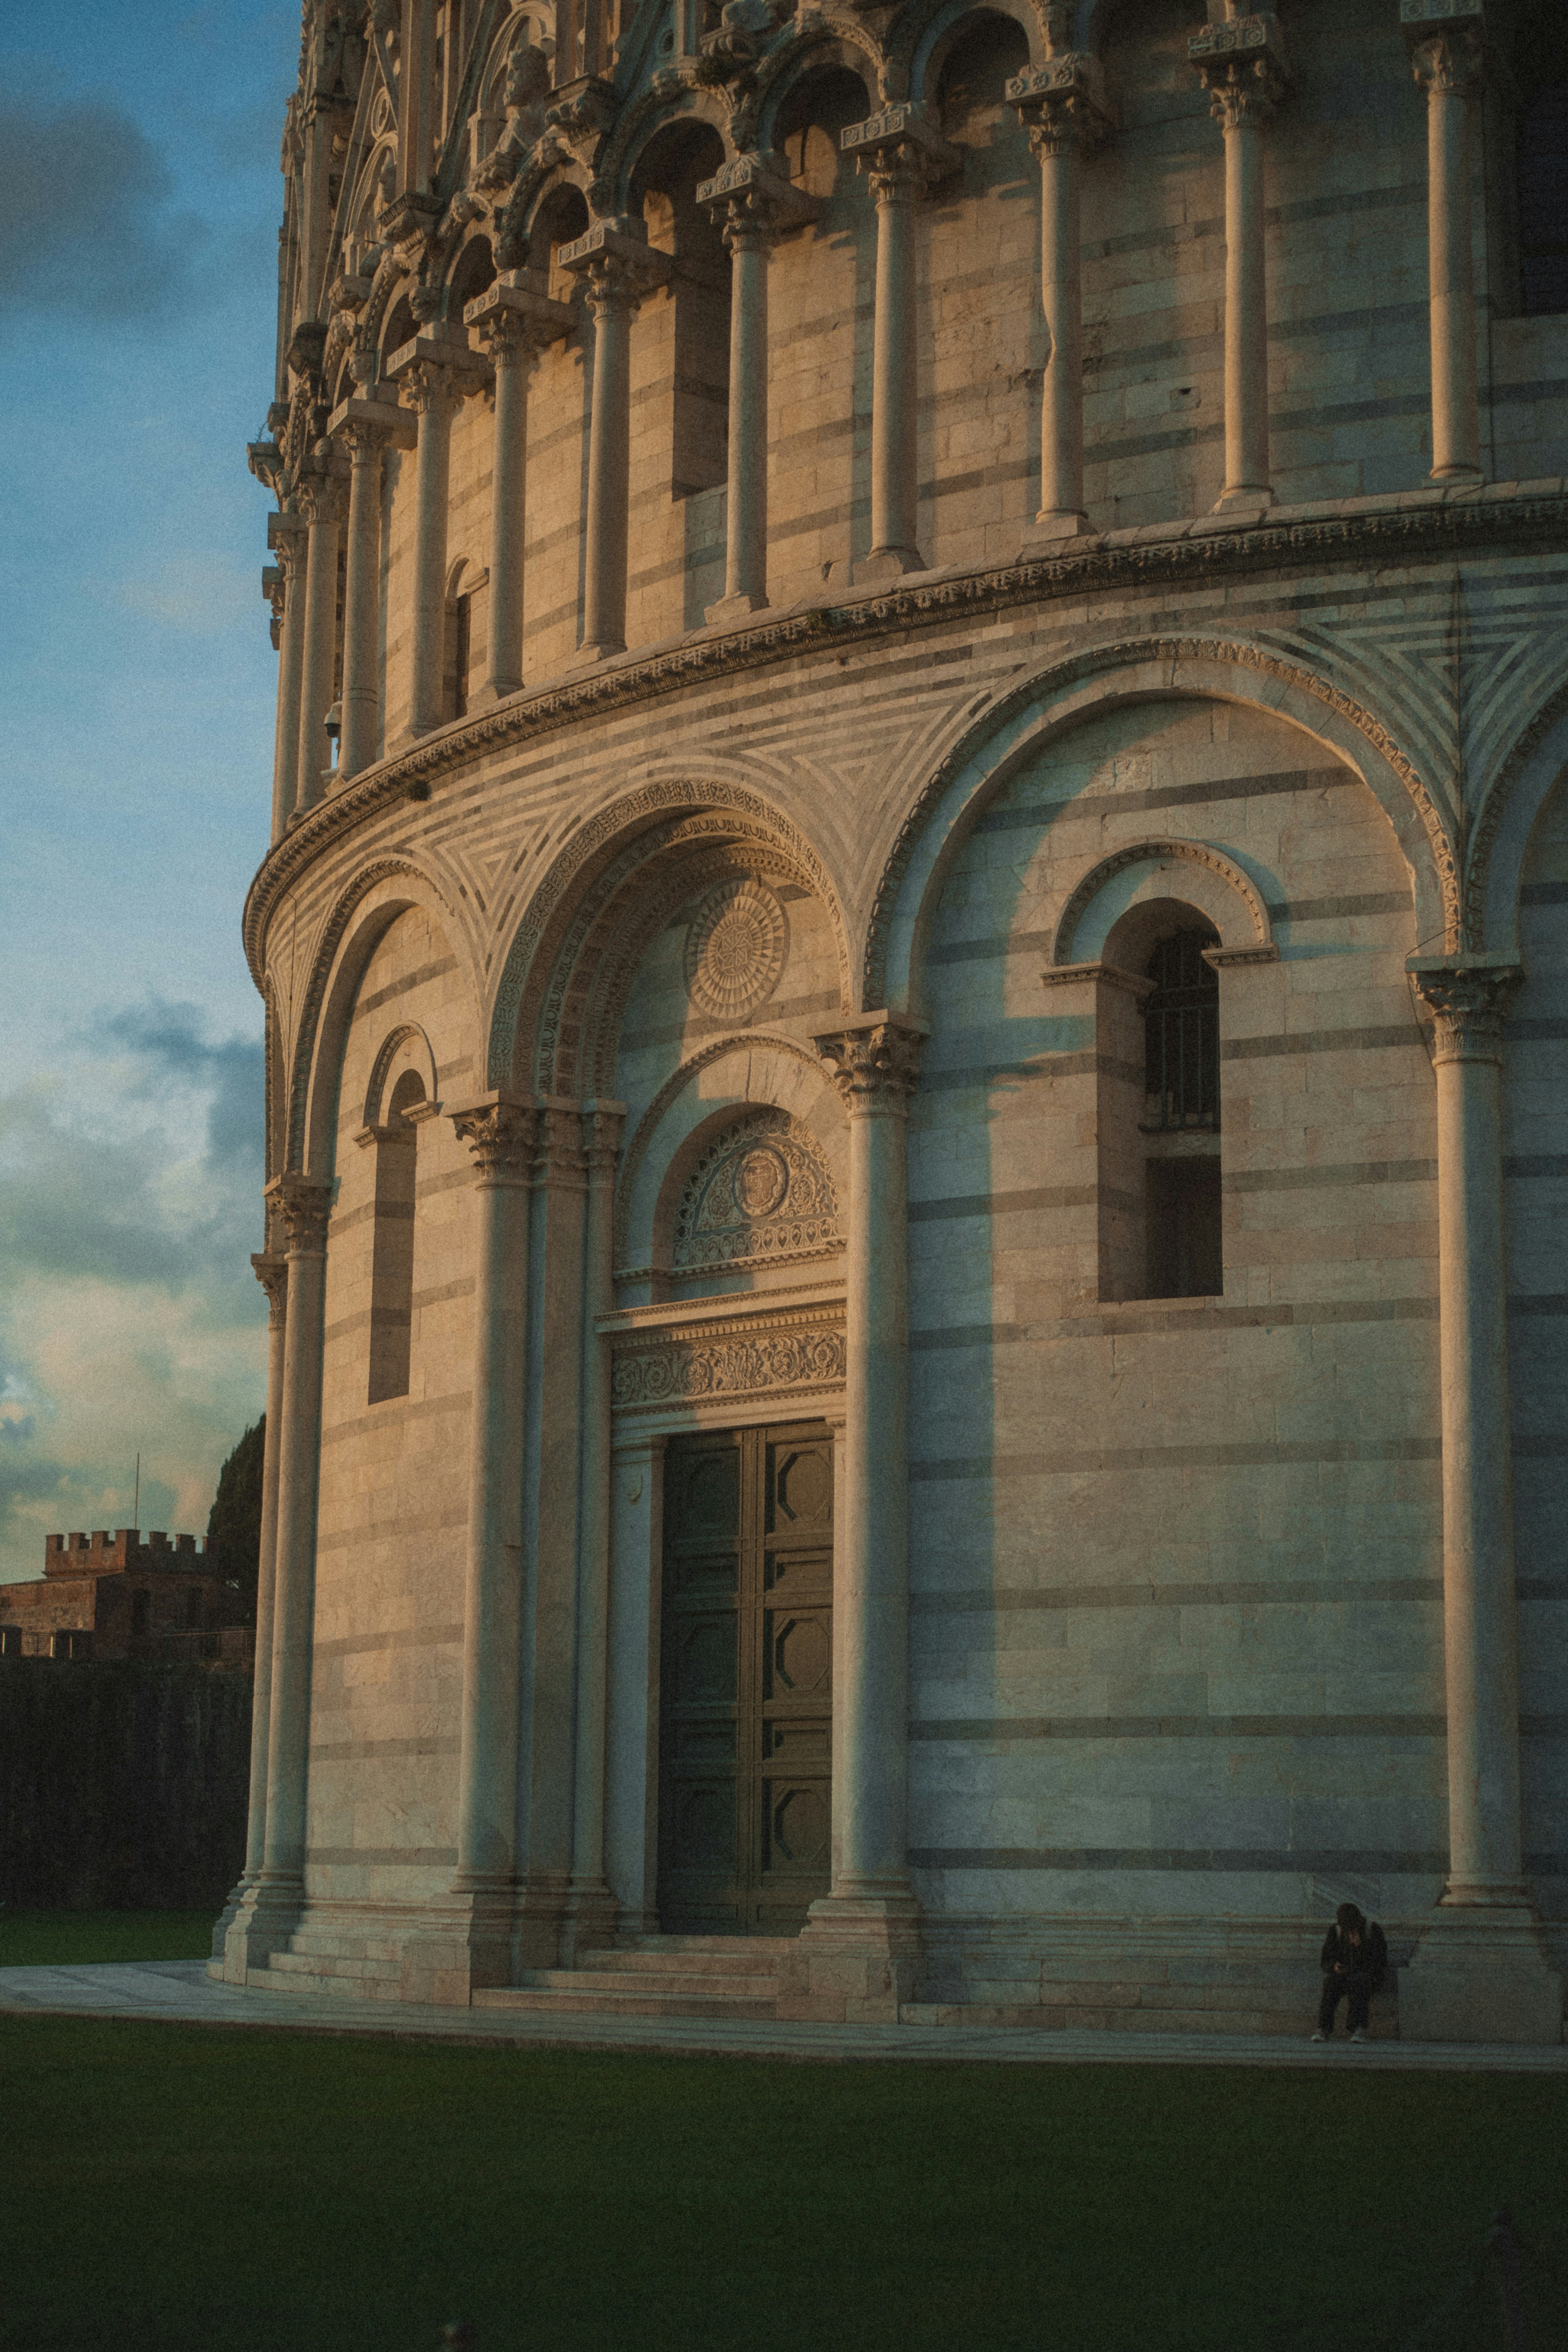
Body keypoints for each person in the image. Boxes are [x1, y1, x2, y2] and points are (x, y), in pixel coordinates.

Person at [1313, 1902, 1387, 2042]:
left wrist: (1362, 1947)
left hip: (1368, 1976)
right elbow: (1326, 1960)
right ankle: (1324, 2028)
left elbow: (1380, 1962)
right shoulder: (1336, 1931)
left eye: (1352, 1928)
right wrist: (1335, 1967)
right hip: (1344, 1975)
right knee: (1330, 1983)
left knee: (1359, 1982)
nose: (1350, 1932)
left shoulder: (1372, 1930)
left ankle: (1359, 2028)